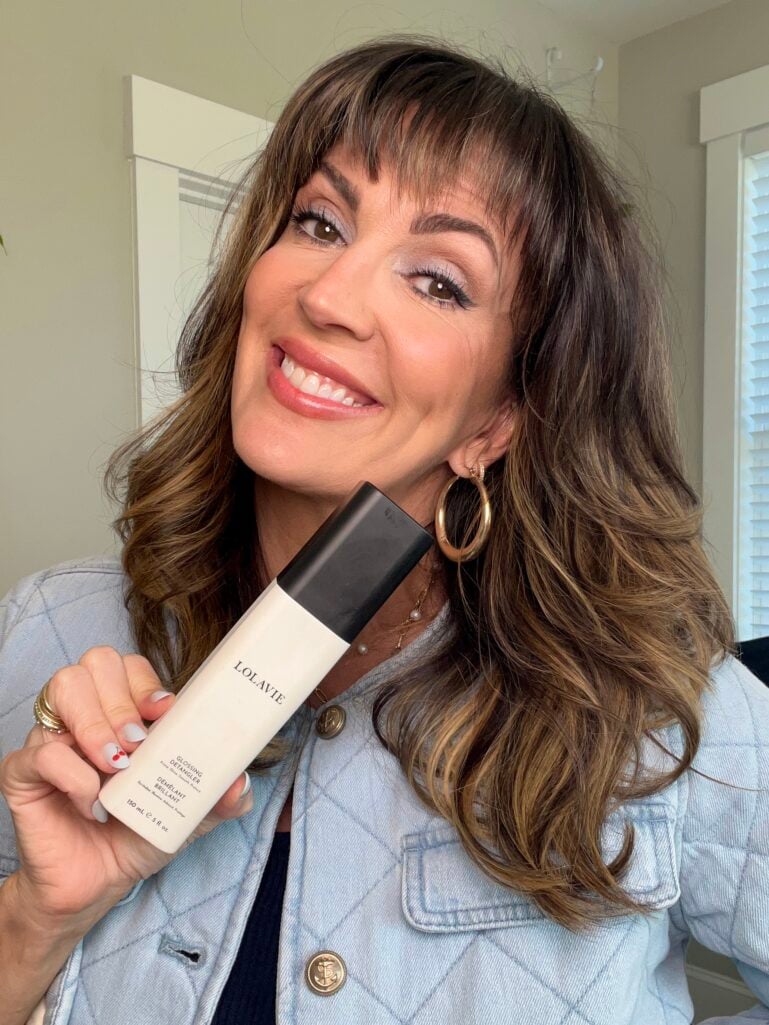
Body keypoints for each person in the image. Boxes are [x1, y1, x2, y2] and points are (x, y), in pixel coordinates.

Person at [1, 33, 768, 1025]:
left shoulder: (657, 706)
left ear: (498, 417)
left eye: (437, 280)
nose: (324, 297)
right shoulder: (48, 631)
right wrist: (34, 919)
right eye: (318, 223)